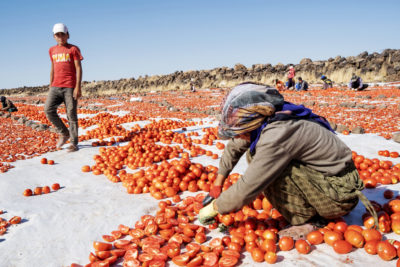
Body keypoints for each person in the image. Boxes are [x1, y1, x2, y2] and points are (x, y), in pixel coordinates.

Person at [199, 82, 377, 239]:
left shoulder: (278, 133)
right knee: (258, 156)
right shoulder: (272, 116)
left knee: (262, 163)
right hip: (336, 182)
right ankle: (308, 210)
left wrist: (215, 207)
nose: (239, 135)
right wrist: (218, 182)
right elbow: (235, 145)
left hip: (339, 196)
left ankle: (308, 220)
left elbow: (250, 185)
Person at [45, 23, 83, 152]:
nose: (60, 37)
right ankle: (64, 132)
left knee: (71, 114)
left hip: (70, 87)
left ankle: (74, 142)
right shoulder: (52, 50)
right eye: (57, 35)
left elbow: (78, 68)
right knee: (48, 110)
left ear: (68, 35)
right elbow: (52, 68)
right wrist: (50, 85)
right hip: (55, 86)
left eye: (63, 34)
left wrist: (78, 87)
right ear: (54, 37)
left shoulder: (73, 49)